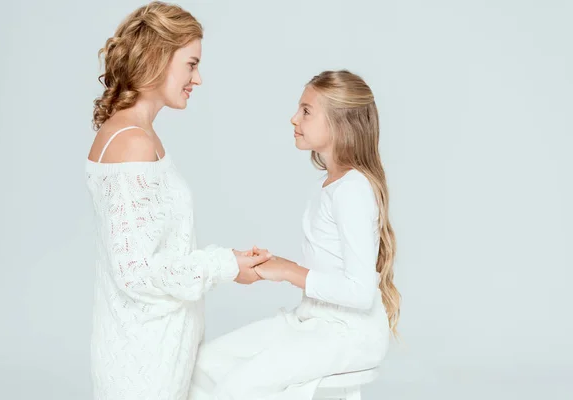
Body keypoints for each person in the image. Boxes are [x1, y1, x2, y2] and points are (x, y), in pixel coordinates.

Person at [85, 2, 270, 399]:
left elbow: (151, 251)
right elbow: (137, 274)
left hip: (155, 351)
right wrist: (225, 265)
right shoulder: (132, 142)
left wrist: (228, 262)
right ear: (156, 58)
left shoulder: (135, 135)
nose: (198, 78)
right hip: (145, 364)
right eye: (191, 63)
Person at [189, 70, 401, 400]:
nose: (293, 118)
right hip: (313, 320)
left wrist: (288, 272)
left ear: (339, 123)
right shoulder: (326, 186)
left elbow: (360, 293)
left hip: (349, 333)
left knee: (238, 387)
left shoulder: (353, 190)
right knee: (205, 365)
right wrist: (274, 267)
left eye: (306, 111)